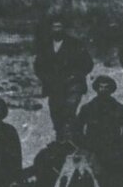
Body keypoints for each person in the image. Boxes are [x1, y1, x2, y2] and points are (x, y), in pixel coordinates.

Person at [34, 13, 93, 143]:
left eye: (59, 26)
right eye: (54, 27)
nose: (57, 29)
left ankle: (70, 139)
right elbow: (38, 66)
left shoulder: (75, 44)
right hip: (54, 86)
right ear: (50, 28)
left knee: (69, 111)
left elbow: (88, 64)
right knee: (55, 112)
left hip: (73, 85)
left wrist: (75, 75)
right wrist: (46, 78)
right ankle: (61, 138)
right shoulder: (45, 45)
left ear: (64, 28)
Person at [75, 74, 123, 183]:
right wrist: (84, 145)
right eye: (101, 87)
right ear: (96, 89)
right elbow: (77, 128)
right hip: (93, 148)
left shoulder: (119, 108)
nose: (103, 90)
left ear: (111, 90)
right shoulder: (88, 108)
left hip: (113, 148)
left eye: (107, 87)